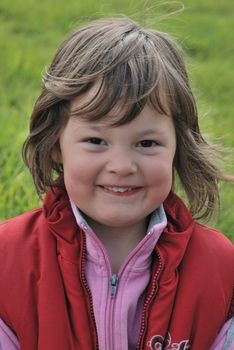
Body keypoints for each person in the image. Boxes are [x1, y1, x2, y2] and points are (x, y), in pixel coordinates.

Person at [0, 17, 233, 350]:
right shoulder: (8, 258)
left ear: (178, 148)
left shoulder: (220, 267)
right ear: (56, 146)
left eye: (147, 143)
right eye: (96, 140)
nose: (122, 166)